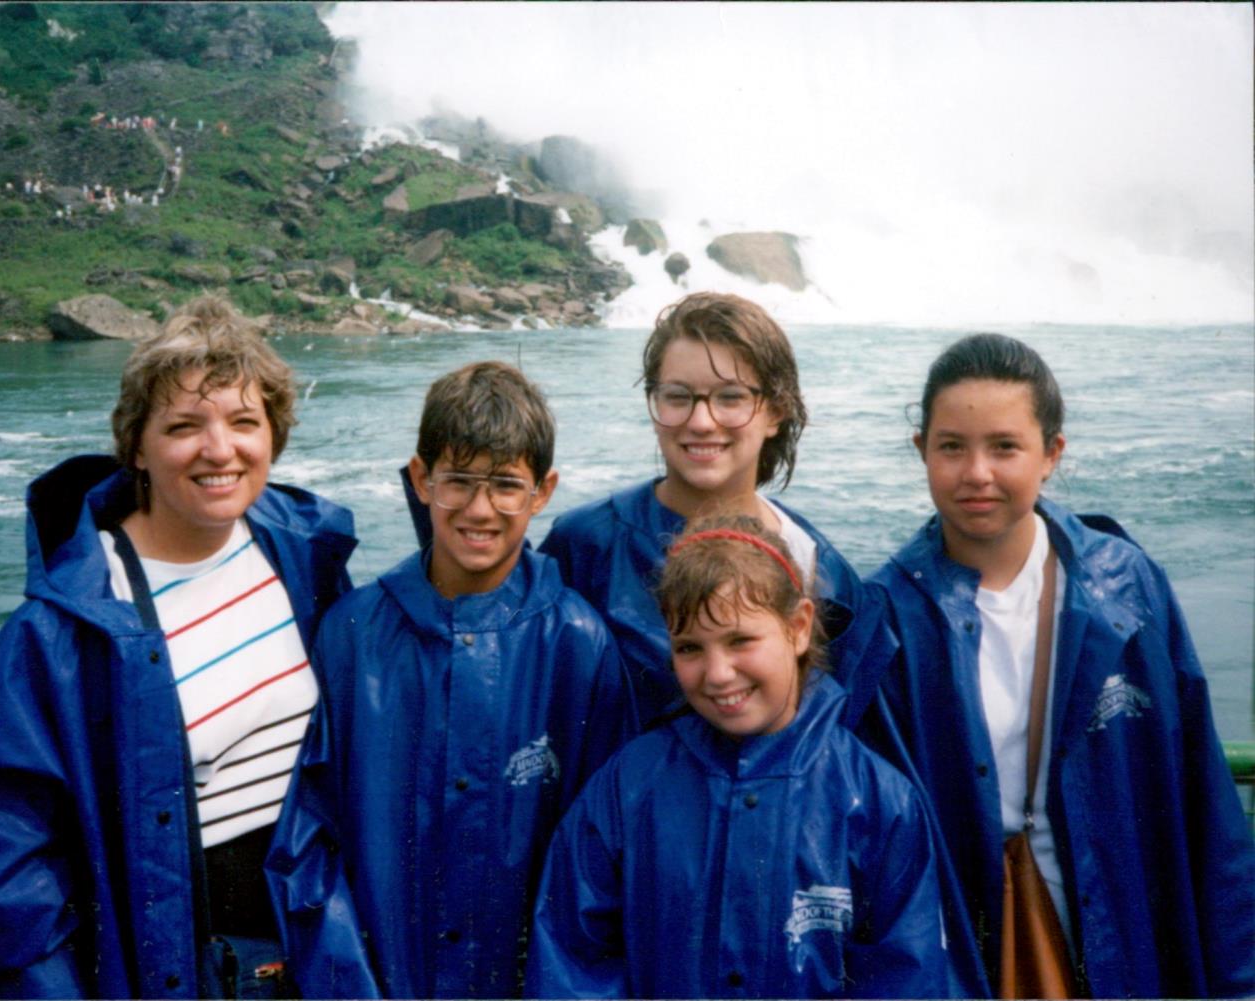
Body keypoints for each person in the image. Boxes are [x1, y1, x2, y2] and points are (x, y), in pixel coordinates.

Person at [0, 295, 357, 999]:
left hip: (315, 953)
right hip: (188, 970)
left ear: (275, 435)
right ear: (136, 446)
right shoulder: (69, 623)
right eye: (183, 426)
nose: (219, 450)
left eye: (244, 421)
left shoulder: (303, 555)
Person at [869, 332, 1254, 997]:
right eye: (952, 447)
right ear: (921, 450)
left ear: (1051, 453)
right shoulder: (887, 616)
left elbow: (1204, 795)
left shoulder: (1125, 584)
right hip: (964, 949)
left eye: (1005, 447)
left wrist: (1239, 981)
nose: (977, 472)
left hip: (1123, 931)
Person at [267, 361, 637, 999]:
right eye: (458, 481)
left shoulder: (578, 643)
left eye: (506, 485)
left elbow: (603, 859)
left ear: (543, 491)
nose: (479, 509)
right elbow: (308, 841)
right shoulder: (352, 635)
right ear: (421, 479)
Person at [527, 515, 952, 998]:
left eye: (740, 640)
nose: (718, 674)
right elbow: (570, 961)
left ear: (799, 627)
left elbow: (906, 976)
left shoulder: (880, 800)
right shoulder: (626, 786)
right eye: (690, 648)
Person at [539, 292, 892, 730]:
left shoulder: (821, 572)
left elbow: (844, 739)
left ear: (775, 411)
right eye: (677, 396)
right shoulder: (586, 545)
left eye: (730, 397)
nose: (702, 421)